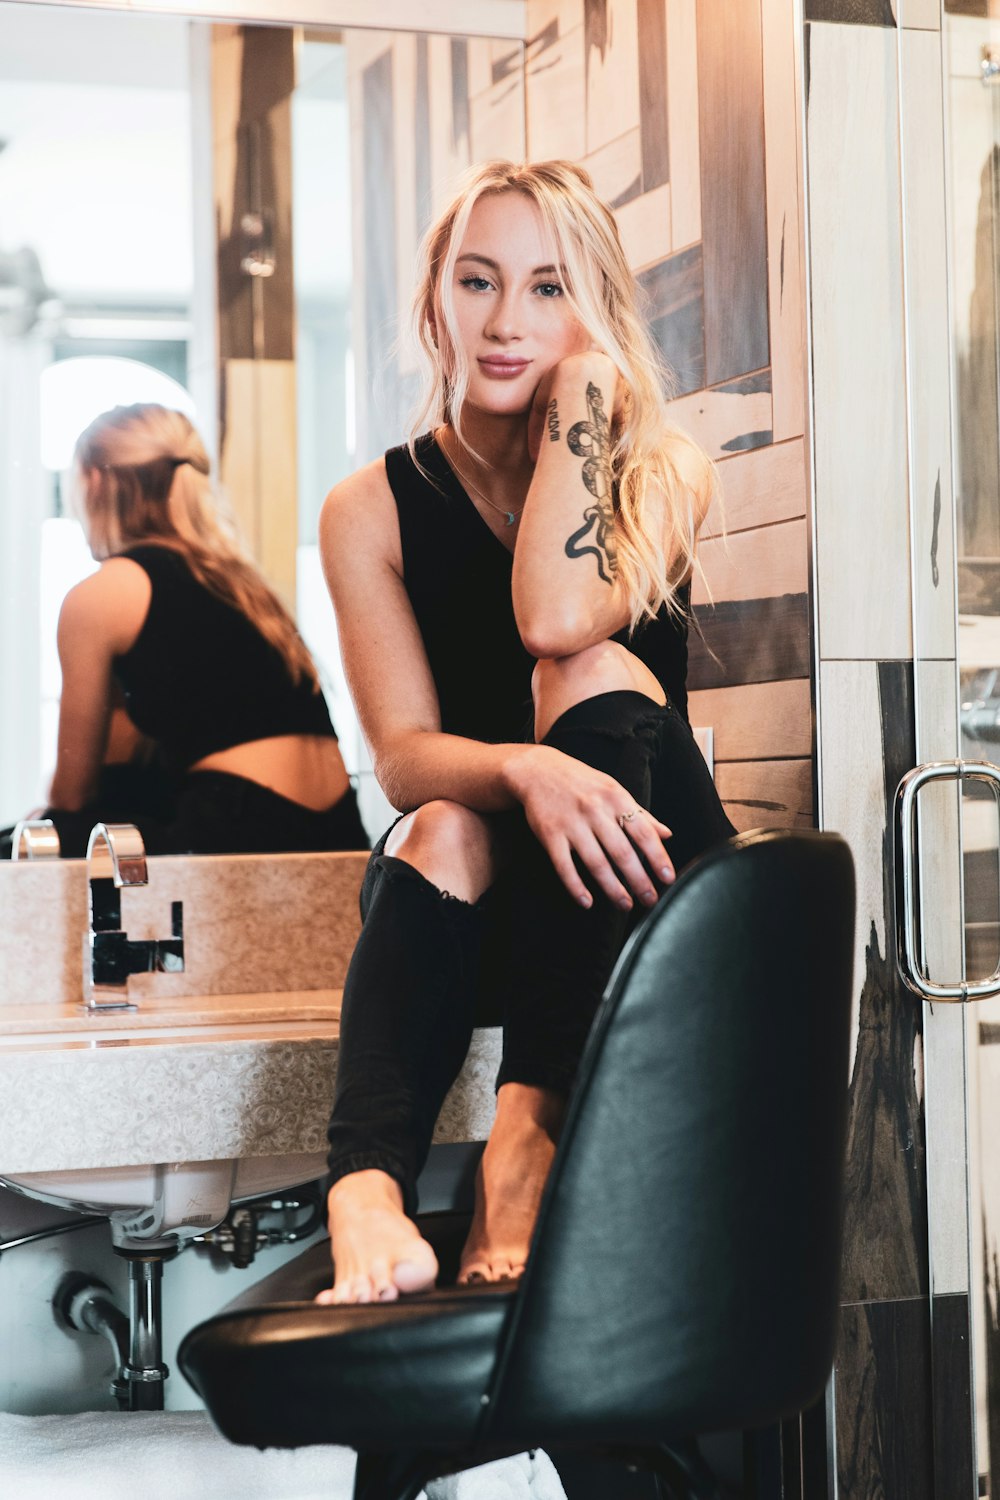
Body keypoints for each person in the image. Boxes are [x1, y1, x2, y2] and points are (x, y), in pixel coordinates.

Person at [316, 159, 735, 1306]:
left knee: (586, 664)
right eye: (478, 281)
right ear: (433, 301)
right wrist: (526, 771)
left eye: (550, 288)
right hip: (498, 892)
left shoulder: (665, 469)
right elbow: (402, 755)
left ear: (594, 307)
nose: (505, 323)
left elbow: (554, 615)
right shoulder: (369, 508)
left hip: (653, 879)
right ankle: (364, 1193)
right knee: (444, 820)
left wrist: (588, 393)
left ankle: (525, 1141)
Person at [39, 402, 367, 857]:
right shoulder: (238, 582)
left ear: (94, 480)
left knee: (36, 839)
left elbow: (72, 794)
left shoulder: (102, 595)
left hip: (235, 828)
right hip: (338, 832)